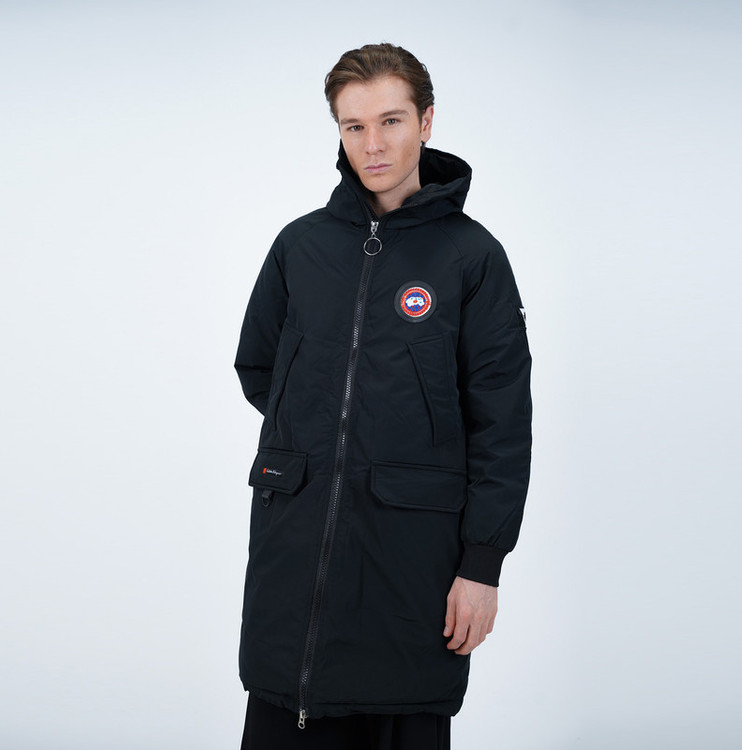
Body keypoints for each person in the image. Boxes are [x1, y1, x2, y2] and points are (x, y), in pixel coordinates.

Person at [233, 42, 532, 750]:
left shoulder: (473, 258)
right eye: (354, 126)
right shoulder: (300, 247)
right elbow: (258, 368)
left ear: (425, 122)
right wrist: (323, 439)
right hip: (294, 550)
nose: (373, 144)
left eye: (391, 121)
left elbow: (502, 425)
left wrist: (481, 567)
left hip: (411, 562)